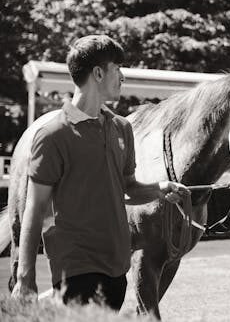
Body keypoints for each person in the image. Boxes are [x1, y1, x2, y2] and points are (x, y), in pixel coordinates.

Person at [11, 35, 191, 311]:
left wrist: (160, 188)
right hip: (76, 266)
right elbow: (33, 210)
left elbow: (127, 189)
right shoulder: (52, 135)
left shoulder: (121, 128)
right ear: (97, 73)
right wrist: (25, 277)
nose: (122, 77)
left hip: (117, 267)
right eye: (117, 69)